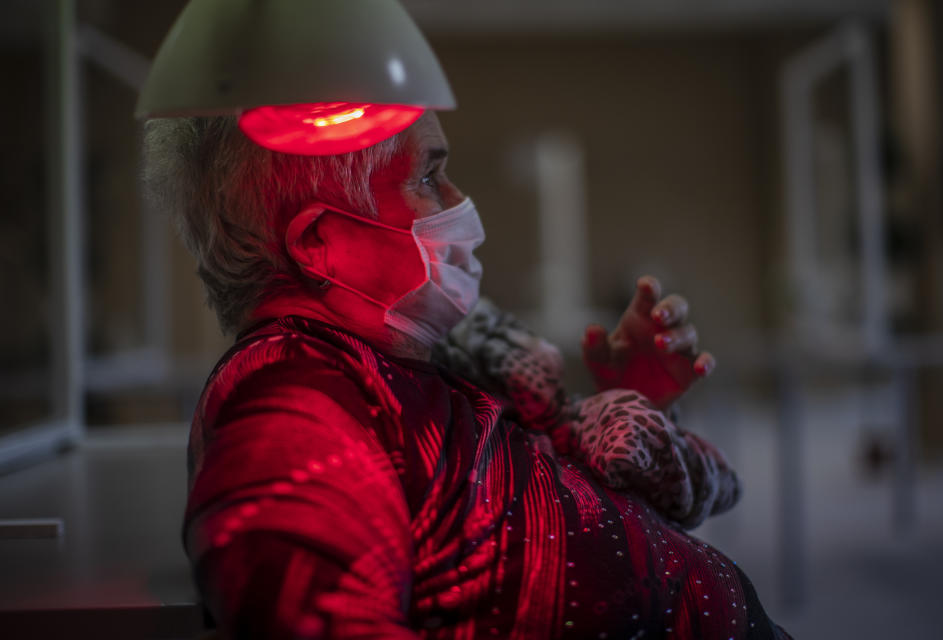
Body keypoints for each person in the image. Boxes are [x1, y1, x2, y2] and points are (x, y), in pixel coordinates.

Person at [144, 111, 790, 639]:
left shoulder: (411, 367)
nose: (460, 205)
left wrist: (636, 405)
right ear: (319, 244)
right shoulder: (295, 400)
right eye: (429, 177)